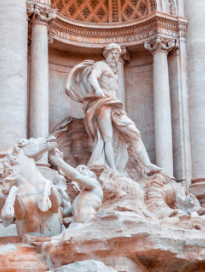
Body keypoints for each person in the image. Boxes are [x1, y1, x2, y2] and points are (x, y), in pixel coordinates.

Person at [66, 43, 159, 175]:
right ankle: (113, 170)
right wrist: (98, 89)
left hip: (115, 105)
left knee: (134, 133)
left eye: (117, 54)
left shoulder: (114, 72)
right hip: (103, 103)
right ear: (106, 54)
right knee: (107, 138)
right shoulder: (100, 65)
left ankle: (147, 165)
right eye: (112, 53)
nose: (115, 56)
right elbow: (92, 77)